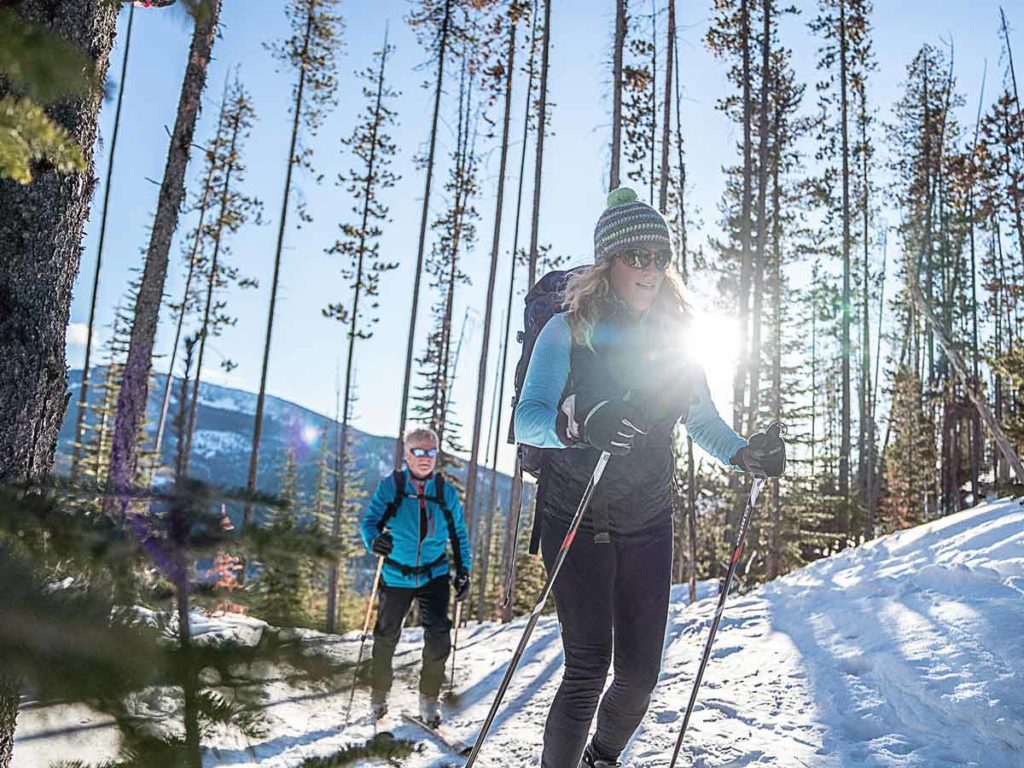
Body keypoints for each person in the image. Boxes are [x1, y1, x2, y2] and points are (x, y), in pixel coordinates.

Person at [514, 187, 786, 768]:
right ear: (607, 262)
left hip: (646, 518)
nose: (649, 269)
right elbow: (527, 417)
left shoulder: (677, 340)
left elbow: (703, 421)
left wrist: (745, 456)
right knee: (587, 667)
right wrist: (580, 423)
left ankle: (601, 758)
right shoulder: (567, 330)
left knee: (639, 676)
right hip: (574, 514)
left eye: (659, 257)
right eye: (636, 256)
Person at [360, 426, 473, 727]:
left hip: (434, 574)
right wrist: (374, 540)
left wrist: (464, 572)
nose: (424, 458)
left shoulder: (444, 493)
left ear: (436, 455)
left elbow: (459, 534)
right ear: (407, 454)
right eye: (418, 451)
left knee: (438, 639)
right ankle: (379, 695)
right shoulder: (392, 487)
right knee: (386, 637)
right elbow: (370, 522)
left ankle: (428, 699)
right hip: (396, 574)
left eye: (430, 452)